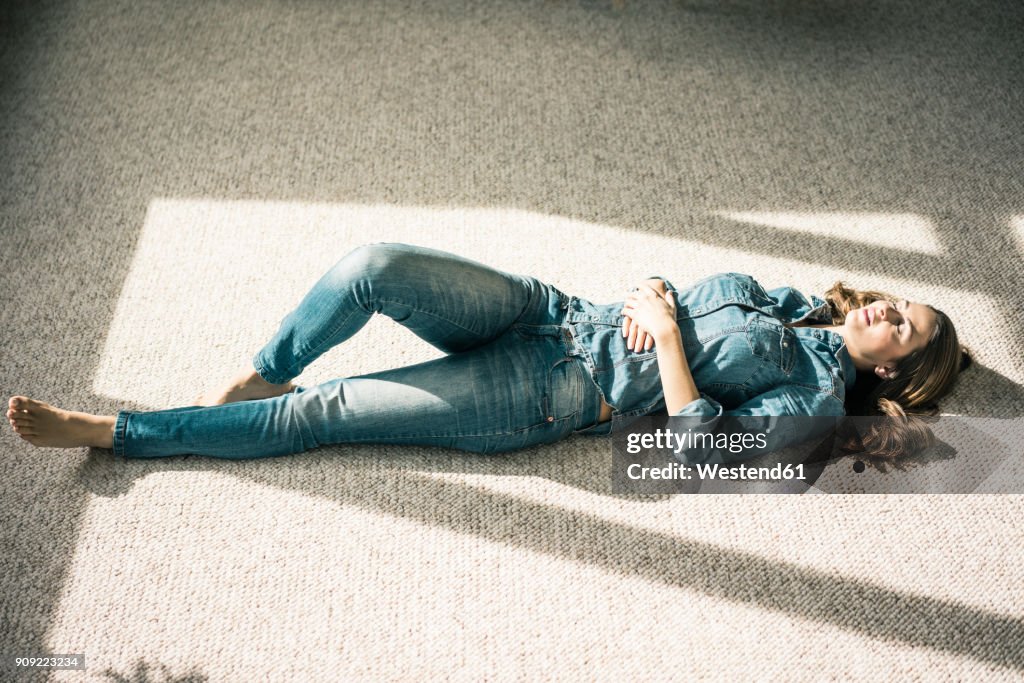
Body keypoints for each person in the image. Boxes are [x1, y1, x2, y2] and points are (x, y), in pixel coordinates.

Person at [6, 242, 969, 463]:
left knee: (331, 413)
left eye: (905, 325)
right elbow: (669, 292)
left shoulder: (812, 401)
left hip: (550, 389)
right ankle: (265, 365)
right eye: (899, 300)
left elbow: (698, 447)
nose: (888, 307)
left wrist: (670, 337)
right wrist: (656, 293)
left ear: (891, 369)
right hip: (554, 310)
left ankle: (118, 428)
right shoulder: (798, 304)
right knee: (375, 265)